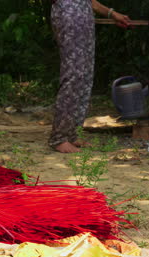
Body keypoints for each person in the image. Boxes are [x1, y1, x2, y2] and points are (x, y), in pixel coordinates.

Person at [49, 0, 134, 153]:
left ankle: (71, 134)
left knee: (84, 76)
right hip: (68, 15)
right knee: (73, 75)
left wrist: (112, 14)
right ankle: (59, 138)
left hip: (84, 16)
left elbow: (90, 2)